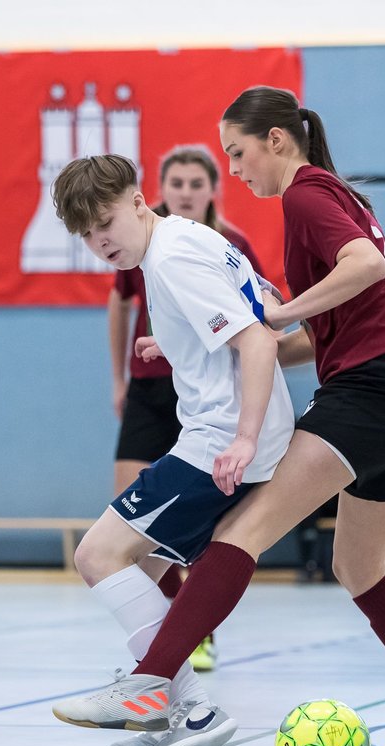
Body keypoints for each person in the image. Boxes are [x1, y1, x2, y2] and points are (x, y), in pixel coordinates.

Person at [54, 86, 385, 746]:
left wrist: (279, 318)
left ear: (277, 141)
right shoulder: (319, 198)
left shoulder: (305, 194)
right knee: (359, 566)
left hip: (374, 390)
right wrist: (206, 340)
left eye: (237, 153)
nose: (234, 169)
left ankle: (152, 688)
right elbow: (322, 331)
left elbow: (363, 268)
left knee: (241, 531)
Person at [49, 153, 296, 746]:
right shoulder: (189, 238)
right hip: (228, 427)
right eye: (85, 233)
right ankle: (181, 707)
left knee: (98, 554)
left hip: (221, 437)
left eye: (105, 221)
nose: (99, 240)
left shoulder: (172, 257)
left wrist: (242, 438)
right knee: (152, 562)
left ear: (138, 200)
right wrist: (180, 340)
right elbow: (252, 308)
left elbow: (260, 339)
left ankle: (170, 696)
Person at [108, 145, 264, 673]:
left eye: (197, 183)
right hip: (156, 389)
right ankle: (164, 652)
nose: (186, 192)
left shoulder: (193, 247)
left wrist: (246, 435)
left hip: (213, 410)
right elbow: (125, 306)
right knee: (129, 525)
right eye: (177, 183)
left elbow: (257, 330)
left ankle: (176, 651)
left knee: (118, 547)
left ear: (212, 189)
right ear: (161, 189)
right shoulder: (143, 247)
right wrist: (128, 371)